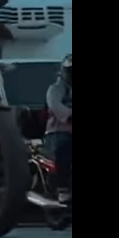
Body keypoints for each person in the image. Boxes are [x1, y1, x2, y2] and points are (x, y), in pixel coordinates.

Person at [44, 54, 72, 203]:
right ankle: (63, 189)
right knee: (63, 147)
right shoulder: (55, 89)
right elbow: (56, 107)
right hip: (58, 132)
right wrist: (69, 116)